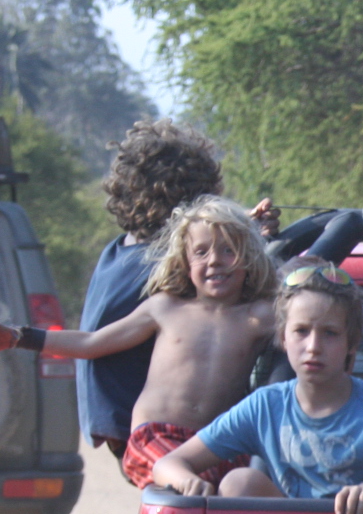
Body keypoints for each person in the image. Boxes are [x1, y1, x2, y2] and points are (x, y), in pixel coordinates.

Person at [0, 195, 280, 489]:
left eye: (228, 250)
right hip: (156, 436)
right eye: (201, 252)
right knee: (180, 475)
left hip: (213, 443)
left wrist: (271, 241)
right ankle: (181, 480)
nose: (215, 261)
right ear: (185, 262)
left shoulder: (259, 316)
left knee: (241, 484)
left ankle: (198, 494)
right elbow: (90, 344)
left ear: (248, 258)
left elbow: (300, 310)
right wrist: (18, 337)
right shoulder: (165, 308)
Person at [151, 261, 363, 514]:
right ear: (283, 338)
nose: (313, 346)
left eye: (330, 333)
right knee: (239, 482)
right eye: (301, 331)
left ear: (353, 342)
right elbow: (168, 463)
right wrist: (188, 483)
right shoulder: (265, 406)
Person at [75, 121, 280, 463]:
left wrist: (242, 228)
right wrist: (247, 239)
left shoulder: (118, 253)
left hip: (110, 417)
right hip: (148, 428)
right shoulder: (153, 267)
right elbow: (201, 266)